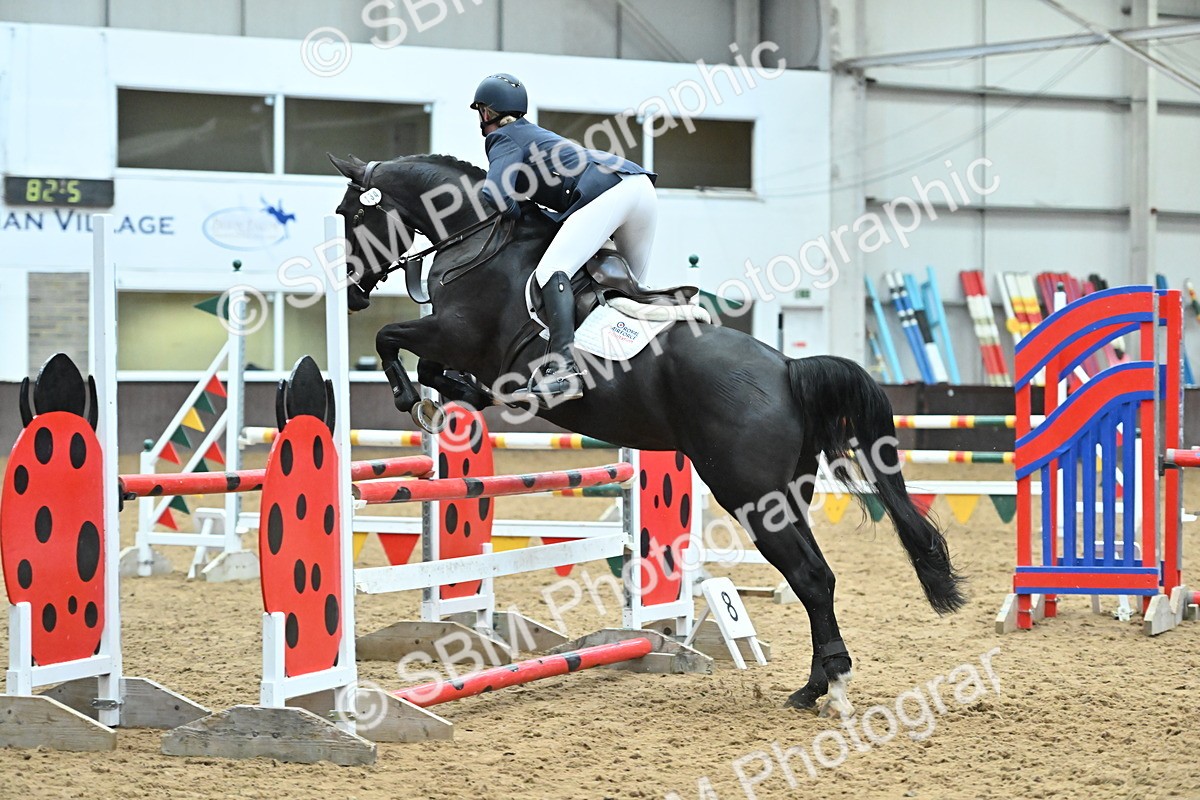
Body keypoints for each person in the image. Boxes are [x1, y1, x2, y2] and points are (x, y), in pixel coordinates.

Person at [471, 73, 658, 401]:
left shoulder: (504, 137)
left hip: (608, 191)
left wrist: (519, 216)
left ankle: (565, 371)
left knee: (550, 273)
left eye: (482, 113)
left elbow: (496, 194)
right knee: (631, 297)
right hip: (639, 187)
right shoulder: (532, 135)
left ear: (488, 113)